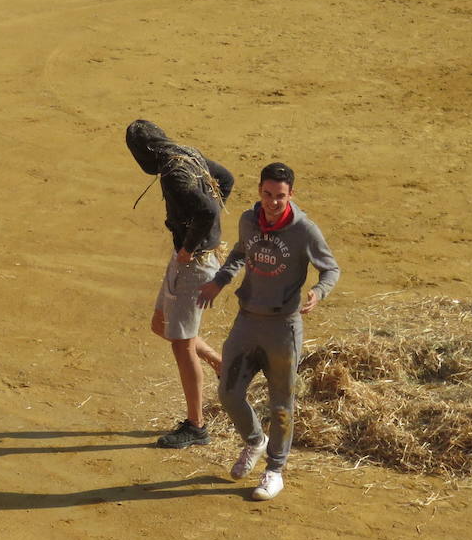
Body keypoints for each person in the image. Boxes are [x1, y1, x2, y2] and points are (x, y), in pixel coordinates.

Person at [196, 162, 340, 502]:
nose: (273, 203)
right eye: (267, 194)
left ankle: (274, 470)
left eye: (280, 196)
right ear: (259, 191)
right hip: (247, 321)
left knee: (281, 405)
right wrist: (219, 281)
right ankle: (254, 440)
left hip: (283, 328)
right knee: (229, 393)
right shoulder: (249, 220)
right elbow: (239, 253)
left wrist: (318, 293)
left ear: (290, 195)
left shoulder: (304, 230)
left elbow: (330, 268)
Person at [125, 120, 235, 449]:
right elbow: (225, 180)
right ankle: (220, 364)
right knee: (161, 324)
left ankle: (196, 427)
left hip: (194, 262)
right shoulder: (187, 154)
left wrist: (190, 246)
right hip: (193, 257)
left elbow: (206, 208)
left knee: (181, 343)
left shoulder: (173, 173)